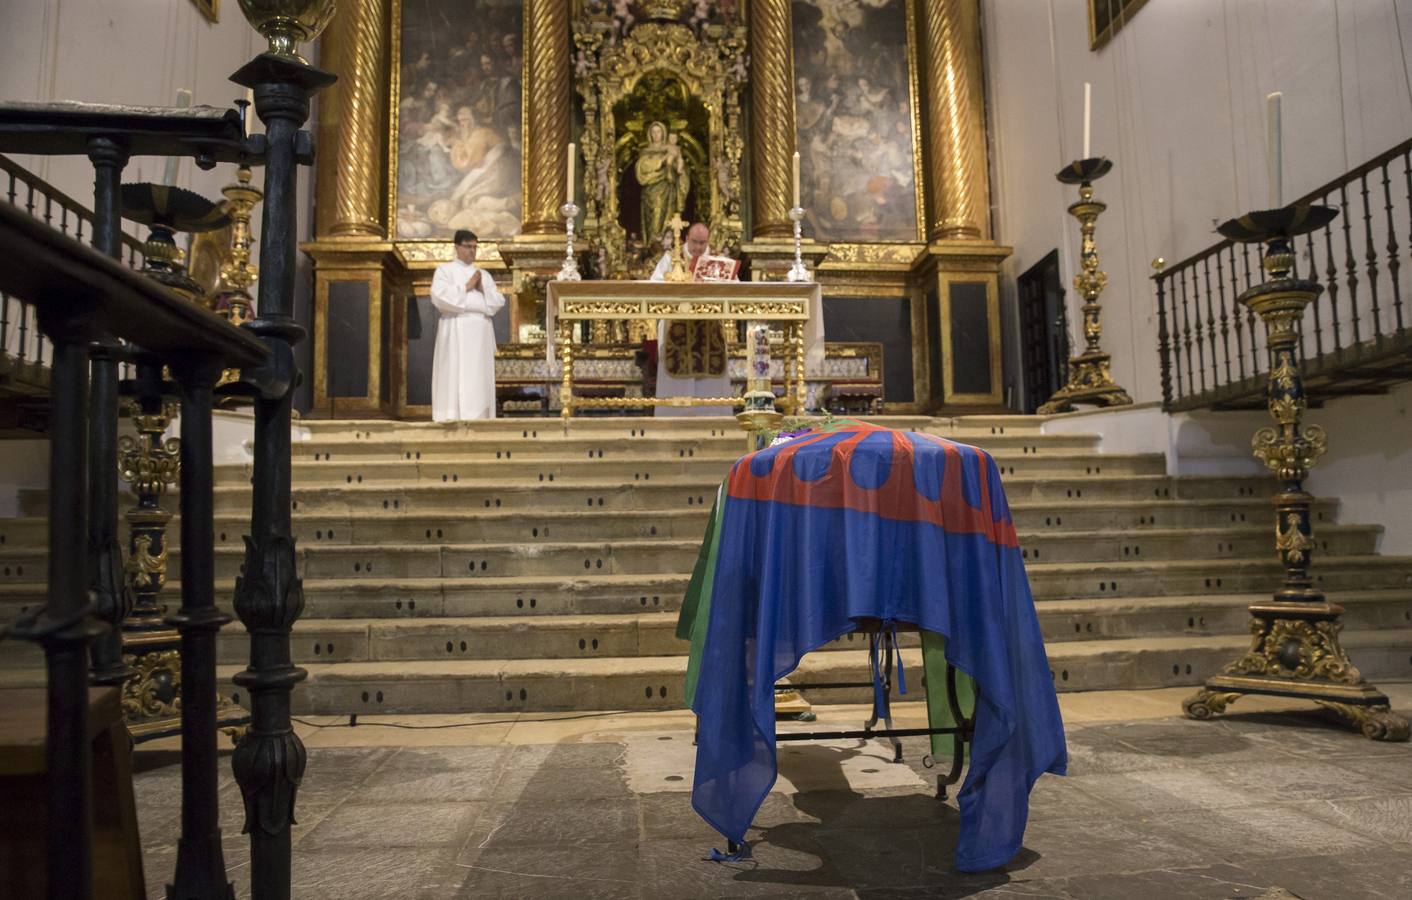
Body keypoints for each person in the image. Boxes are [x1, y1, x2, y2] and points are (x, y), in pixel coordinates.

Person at [650, 222, 733, 417]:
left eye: (702, 243)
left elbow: (733, 286)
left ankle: (714, 418)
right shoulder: (671, 258)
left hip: (708, 327)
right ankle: (673, 418)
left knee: (710, 371)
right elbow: (655, 284)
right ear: (687, 239)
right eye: (695, 242)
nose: (698, 248)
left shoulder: (716, 260)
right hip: (677, 326)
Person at [431, 229, 505, 421]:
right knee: (456, 374)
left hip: (480, 331)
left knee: (477, 376)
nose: (472, 251)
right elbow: (438, 296)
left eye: (475, 247)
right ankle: (452, 415)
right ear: (457, 247)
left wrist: (482, 289)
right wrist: (466, 287)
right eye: (468, 247)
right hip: (456, 327)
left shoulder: (484, 275)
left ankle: (479, 416)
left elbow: (497, 302)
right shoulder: (444, 271)